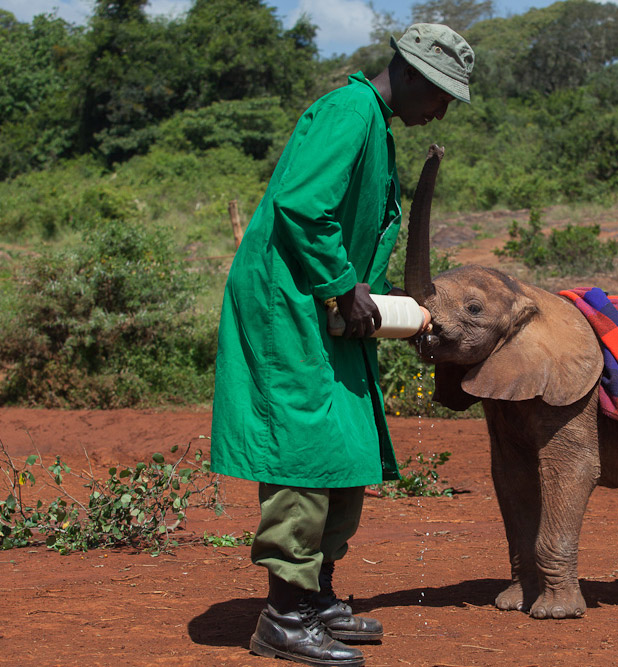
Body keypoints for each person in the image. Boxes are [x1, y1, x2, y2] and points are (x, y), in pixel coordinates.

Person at [209, 24, 475, 666]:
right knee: (306, 449)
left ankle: (318, 593)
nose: (441, 108)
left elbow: (350, 233)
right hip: (291, 306)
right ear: (408, 72)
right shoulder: (348, 112)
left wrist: (387, 310)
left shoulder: (374, 128)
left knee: (347, 443)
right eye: (439, 92)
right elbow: (302, 207)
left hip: (326, 308)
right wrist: (339, 285)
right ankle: (284, 614)